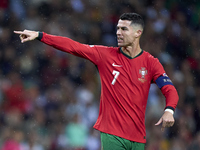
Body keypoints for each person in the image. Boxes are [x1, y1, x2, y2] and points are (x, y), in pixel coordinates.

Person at [14, 12, 179, 150]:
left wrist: (169, 110)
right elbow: (73, 46)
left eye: (124, 29)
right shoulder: (105, 55)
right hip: (112, 134)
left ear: (138, 33)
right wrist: (39, 35)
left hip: (138, 137)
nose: (118, 33)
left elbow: (170, 89)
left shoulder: (151, 63)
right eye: (117, 29)